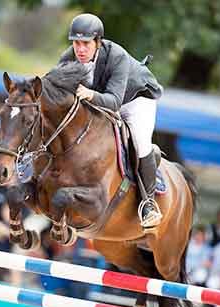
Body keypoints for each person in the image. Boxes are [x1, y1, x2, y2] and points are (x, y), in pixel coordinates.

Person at [58, 13, 164, 229]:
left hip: (135, 100)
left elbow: (114, 101)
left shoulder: (117, 56)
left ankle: (148, 204)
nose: (80, 49)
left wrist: (90, 95)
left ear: (98, 42)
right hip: (101, 99)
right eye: (76, 43)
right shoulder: (69, 57)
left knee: (140, 141)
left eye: (86, 43)